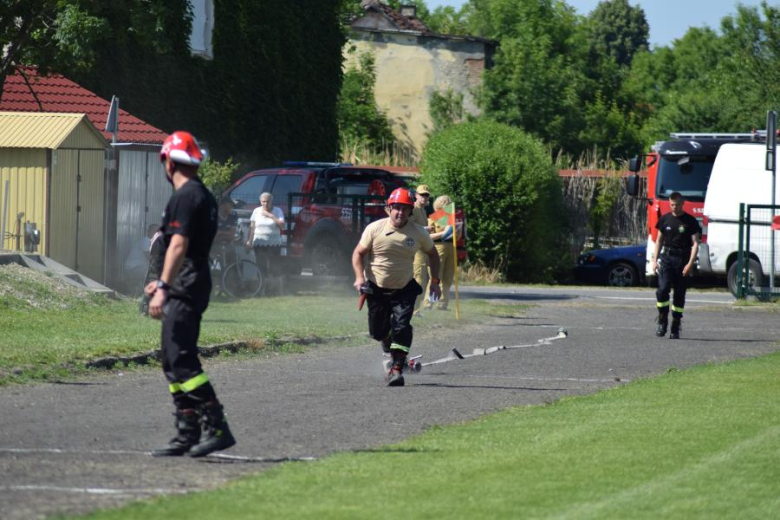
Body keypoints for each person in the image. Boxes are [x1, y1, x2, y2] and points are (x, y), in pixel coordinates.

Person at [145, 130, 236, 457]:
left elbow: (179, 245)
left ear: (168, 162)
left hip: (185, 283)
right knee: (171, 359)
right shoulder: (202, 195)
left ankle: (217, 427)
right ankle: (187, 432)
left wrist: (163, 286)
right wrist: (162, 281)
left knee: (181, 358)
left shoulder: (186, 196)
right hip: (188, 280)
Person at [352, 188, 441, 387]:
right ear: (389, 208)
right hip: (376, 288)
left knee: (402, 326)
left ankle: (397, 369)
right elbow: (358, 253)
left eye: (405, 209)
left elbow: (433, 255)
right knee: (377, 332)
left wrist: (435, 282)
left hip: (404, 289)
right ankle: (392, 348)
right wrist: (359, 278)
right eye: (397, 208)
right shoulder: (374, 229)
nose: (400, 212)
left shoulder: (418, 232)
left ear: (410, 211)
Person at [650, 191, 701, 339]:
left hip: (683, 259)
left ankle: (676, 324)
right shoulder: (665, 219)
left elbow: (695, 244)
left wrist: (689, 264)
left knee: (679, 294)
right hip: (667, 258)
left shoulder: (690, 221)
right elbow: (659, 241)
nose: (674, 207)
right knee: (662, 290)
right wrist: (654, 260)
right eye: (672, 205)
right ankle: (662, 319)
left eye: (677, 205)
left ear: (682, 203)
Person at [425, 195, 459, 311]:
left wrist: (457, 231)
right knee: (436, 276)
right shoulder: (433, 219)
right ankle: (429, 302)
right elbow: (427, 236)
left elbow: (457, 236)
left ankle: (442, 303)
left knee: (448, 277)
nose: (447, 205)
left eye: (448, 204)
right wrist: (443, 234)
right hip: (438, 247)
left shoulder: (452, 219)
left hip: (451, 247)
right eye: (444, 203)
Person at [246, 192, 285, 276]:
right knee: (261, 265)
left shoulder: (278, 210)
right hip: (259, 243)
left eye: (268, 201)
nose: (266, 204)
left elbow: (282, 226)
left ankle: (273, 282)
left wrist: (271, 216)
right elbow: (252, 227)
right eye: (263, 201)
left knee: (274, 266)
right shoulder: (256, 211)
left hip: (274, 243)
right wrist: (249, 241)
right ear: (260, 202)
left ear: (271, 201)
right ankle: (262, 282)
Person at [411, 185, 433, 316]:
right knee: (418, 278)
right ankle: (414, 309)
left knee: (422, 279)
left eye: (426, 195)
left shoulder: (423, 210)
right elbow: (409, 226)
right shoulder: (414, 209)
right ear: (416, 195)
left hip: (422, 247)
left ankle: (416, 308)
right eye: (421, 195)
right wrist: (425, 229)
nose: (424, 197)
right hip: (417, 248)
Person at [124, 224, 157, 293]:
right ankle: (146, 293)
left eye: (157, 231)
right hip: (133, 268)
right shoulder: (146, 241)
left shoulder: (154, 242)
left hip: (138, 267)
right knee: (152, 271)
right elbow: (149, 257)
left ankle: (142, 293)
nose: (156, 233)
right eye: (154, 231)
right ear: (148, 232)